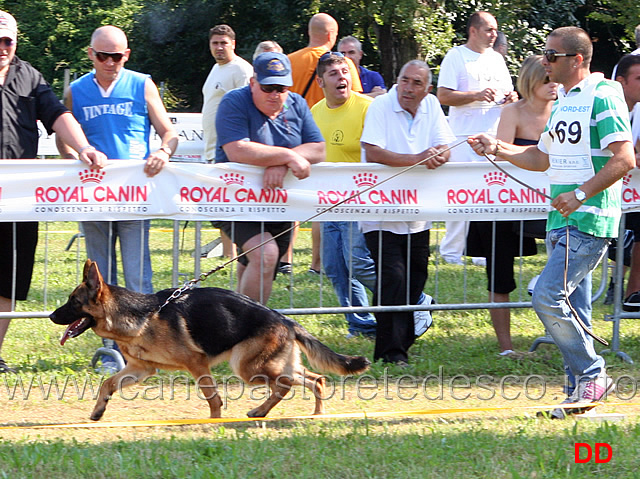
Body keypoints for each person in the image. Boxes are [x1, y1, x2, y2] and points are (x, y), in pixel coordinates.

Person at [469, 26, 635, 418]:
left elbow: (624, 158)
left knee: (546, 295)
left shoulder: (602, 95)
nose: (544, 62)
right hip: (561, 220)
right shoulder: (563, 102)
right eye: (544, 55)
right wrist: (499, 148)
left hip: (589, 218)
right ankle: (578, 395)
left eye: (552, 56)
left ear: (577, 60)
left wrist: (579, 194)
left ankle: (593, 374)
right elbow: (541, 159)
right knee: (575, 310)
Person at [57, 25, 178, 373]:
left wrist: (163, 152)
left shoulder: (141, 83)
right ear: (90, 54)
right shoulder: (77, 89)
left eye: (118, 56)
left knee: (139, 278)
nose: (110, 62)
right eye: (102, 55)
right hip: (93, 195)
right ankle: (111, 350)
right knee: (98, 281)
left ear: (127, 55)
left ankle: (145, 346)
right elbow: (62, 137)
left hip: (135, 194)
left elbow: (168, 131)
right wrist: (74, 160)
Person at [0, 10, 107, 373]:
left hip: (17, 199)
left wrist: (84, 148)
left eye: (7, 41)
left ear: (16, 42)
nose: (1, 47)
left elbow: (59, 115)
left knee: (9, 279)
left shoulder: (29, 76)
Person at [360, 60, 455, 366]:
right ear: (396, 80)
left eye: (416, 83)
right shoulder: (381, 106)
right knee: (393, 277)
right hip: (380, 210)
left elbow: (447, 147)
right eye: (404, 80)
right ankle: (391, 352)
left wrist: (438, 155)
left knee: (416, 278)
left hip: (418, 210)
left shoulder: (432, 106)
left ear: (428, 89)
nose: (409, 89)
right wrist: (416, 158)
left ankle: (401, 337)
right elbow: (372, 150)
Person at [215, 52, 325, 304]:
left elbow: (318, 148)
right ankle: (251, 330)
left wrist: (282, 162)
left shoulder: (297, 104)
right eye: (267, 87)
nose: (275, 94)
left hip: (279, 202)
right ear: (253, 83)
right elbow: (236, 149)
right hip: (236, 199)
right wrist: (287, 156)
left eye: (281, 87)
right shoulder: (234, 102)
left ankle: (236, 328)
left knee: (252, 262)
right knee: (265, 255)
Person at [466, 55, 558, 356]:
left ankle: (563, 338)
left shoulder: (563, 110)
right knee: (500, 272)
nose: (553, 85)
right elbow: (502, 157)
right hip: (507, 204)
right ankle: (506, 346)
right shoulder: (512, 112)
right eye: (547, 80)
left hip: (552, 202)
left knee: (563, 265)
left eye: (555, 78)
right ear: (531, 81)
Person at [437, 11, 518, 265]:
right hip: (463, 136)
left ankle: (481, 252)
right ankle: (451, 252)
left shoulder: (497, 59)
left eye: (495, 30)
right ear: (473, 31)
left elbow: (508, 92)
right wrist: (474, 95)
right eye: (488, 30)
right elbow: (443, 96)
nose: (494, 35)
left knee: (490, 196)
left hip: (494, 137)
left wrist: (512, 98)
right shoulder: (456, 56)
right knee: (460, 195)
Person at [288, 13, 363, 275]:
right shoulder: (344, 66)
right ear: (332, 36)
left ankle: (294, 260)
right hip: (329, 162)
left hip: (302, 143)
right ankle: (319, 264)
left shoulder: (290, 61)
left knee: (302, 208)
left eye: (343, 73)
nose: (341, 76)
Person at [310, 52, 377, 337]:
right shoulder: (314, 112)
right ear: (320, 81)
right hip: (327, 202)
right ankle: (361, 324)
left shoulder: (368, 108)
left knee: (359, 264)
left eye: (345, 71)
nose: (342, 77)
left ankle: (413, 299)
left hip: (361, 200)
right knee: (335, 268)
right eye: (334, 73)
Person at [202, 24, 253, 259]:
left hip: (230, 149)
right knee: (220, 204)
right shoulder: (216, 68)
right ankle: (228, 253)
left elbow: (246, 109)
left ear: (233, 43)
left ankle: (242, 251)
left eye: (224, 43)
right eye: (215, 43)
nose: (219, 47)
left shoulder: (241, 70)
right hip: (213, 148)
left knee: (233, 203)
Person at [613, 54, 640, 304]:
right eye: (639, 78)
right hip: (595, 190)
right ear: (621, 82)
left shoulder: (636, 109)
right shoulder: (609, 107)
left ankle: (633, 295)